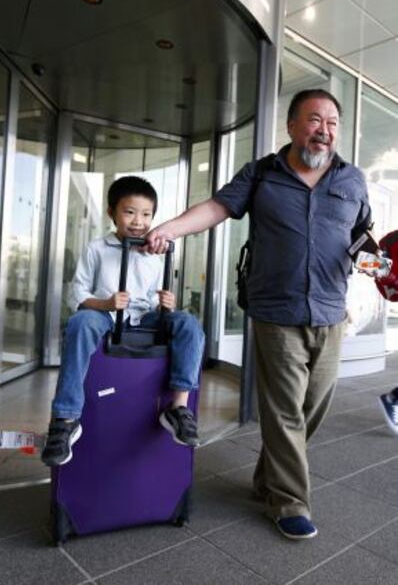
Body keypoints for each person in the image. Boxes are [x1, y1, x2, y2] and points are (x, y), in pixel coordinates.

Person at [146, 89, 372, 540]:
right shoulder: (263, 174)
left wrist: (381, 263)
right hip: (276, 312)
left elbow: (363, 234)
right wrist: (170, 227)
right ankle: (289, 500)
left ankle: (267, 478)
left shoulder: (353, 180)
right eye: (314, 120)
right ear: (291, 126)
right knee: (285, 410)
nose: (323, 130)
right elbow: (217, 207)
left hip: (331, 312)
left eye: (331, 123)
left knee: (311, 409)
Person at [41, 176, 204, 467]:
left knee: (188, 324)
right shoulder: (96, 248)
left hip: (144, 315)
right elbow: (76, 292)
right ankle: (66, 419)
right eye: (129, 212)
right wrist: (104, 303)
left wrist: (167, 304)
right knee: (81, 322)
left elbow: (155, 300)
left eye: (146, 214)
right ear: (112, 213)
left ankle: (178, 408)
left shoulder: (156, 252)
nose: (138, 221)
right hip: (105, 313)